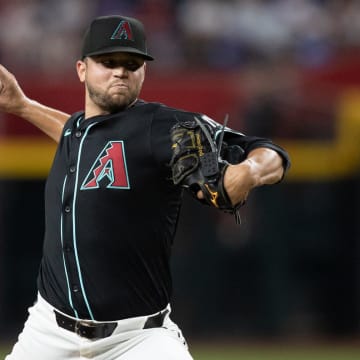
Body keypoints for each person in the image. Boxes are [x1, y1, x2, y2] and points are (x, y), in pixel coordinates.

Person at [0, 15, 290, 360]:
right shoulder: (78, 132)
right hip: (48, 332)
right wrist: (23, 106)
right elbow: (76, 134)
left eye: (131, 63)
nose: (120, 71)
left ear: (143, 72)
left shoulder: (162, 126)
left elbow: (272, 152)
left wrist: (249, 171)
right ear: (82, 70)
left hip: (138, 339)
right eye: (108, 62)